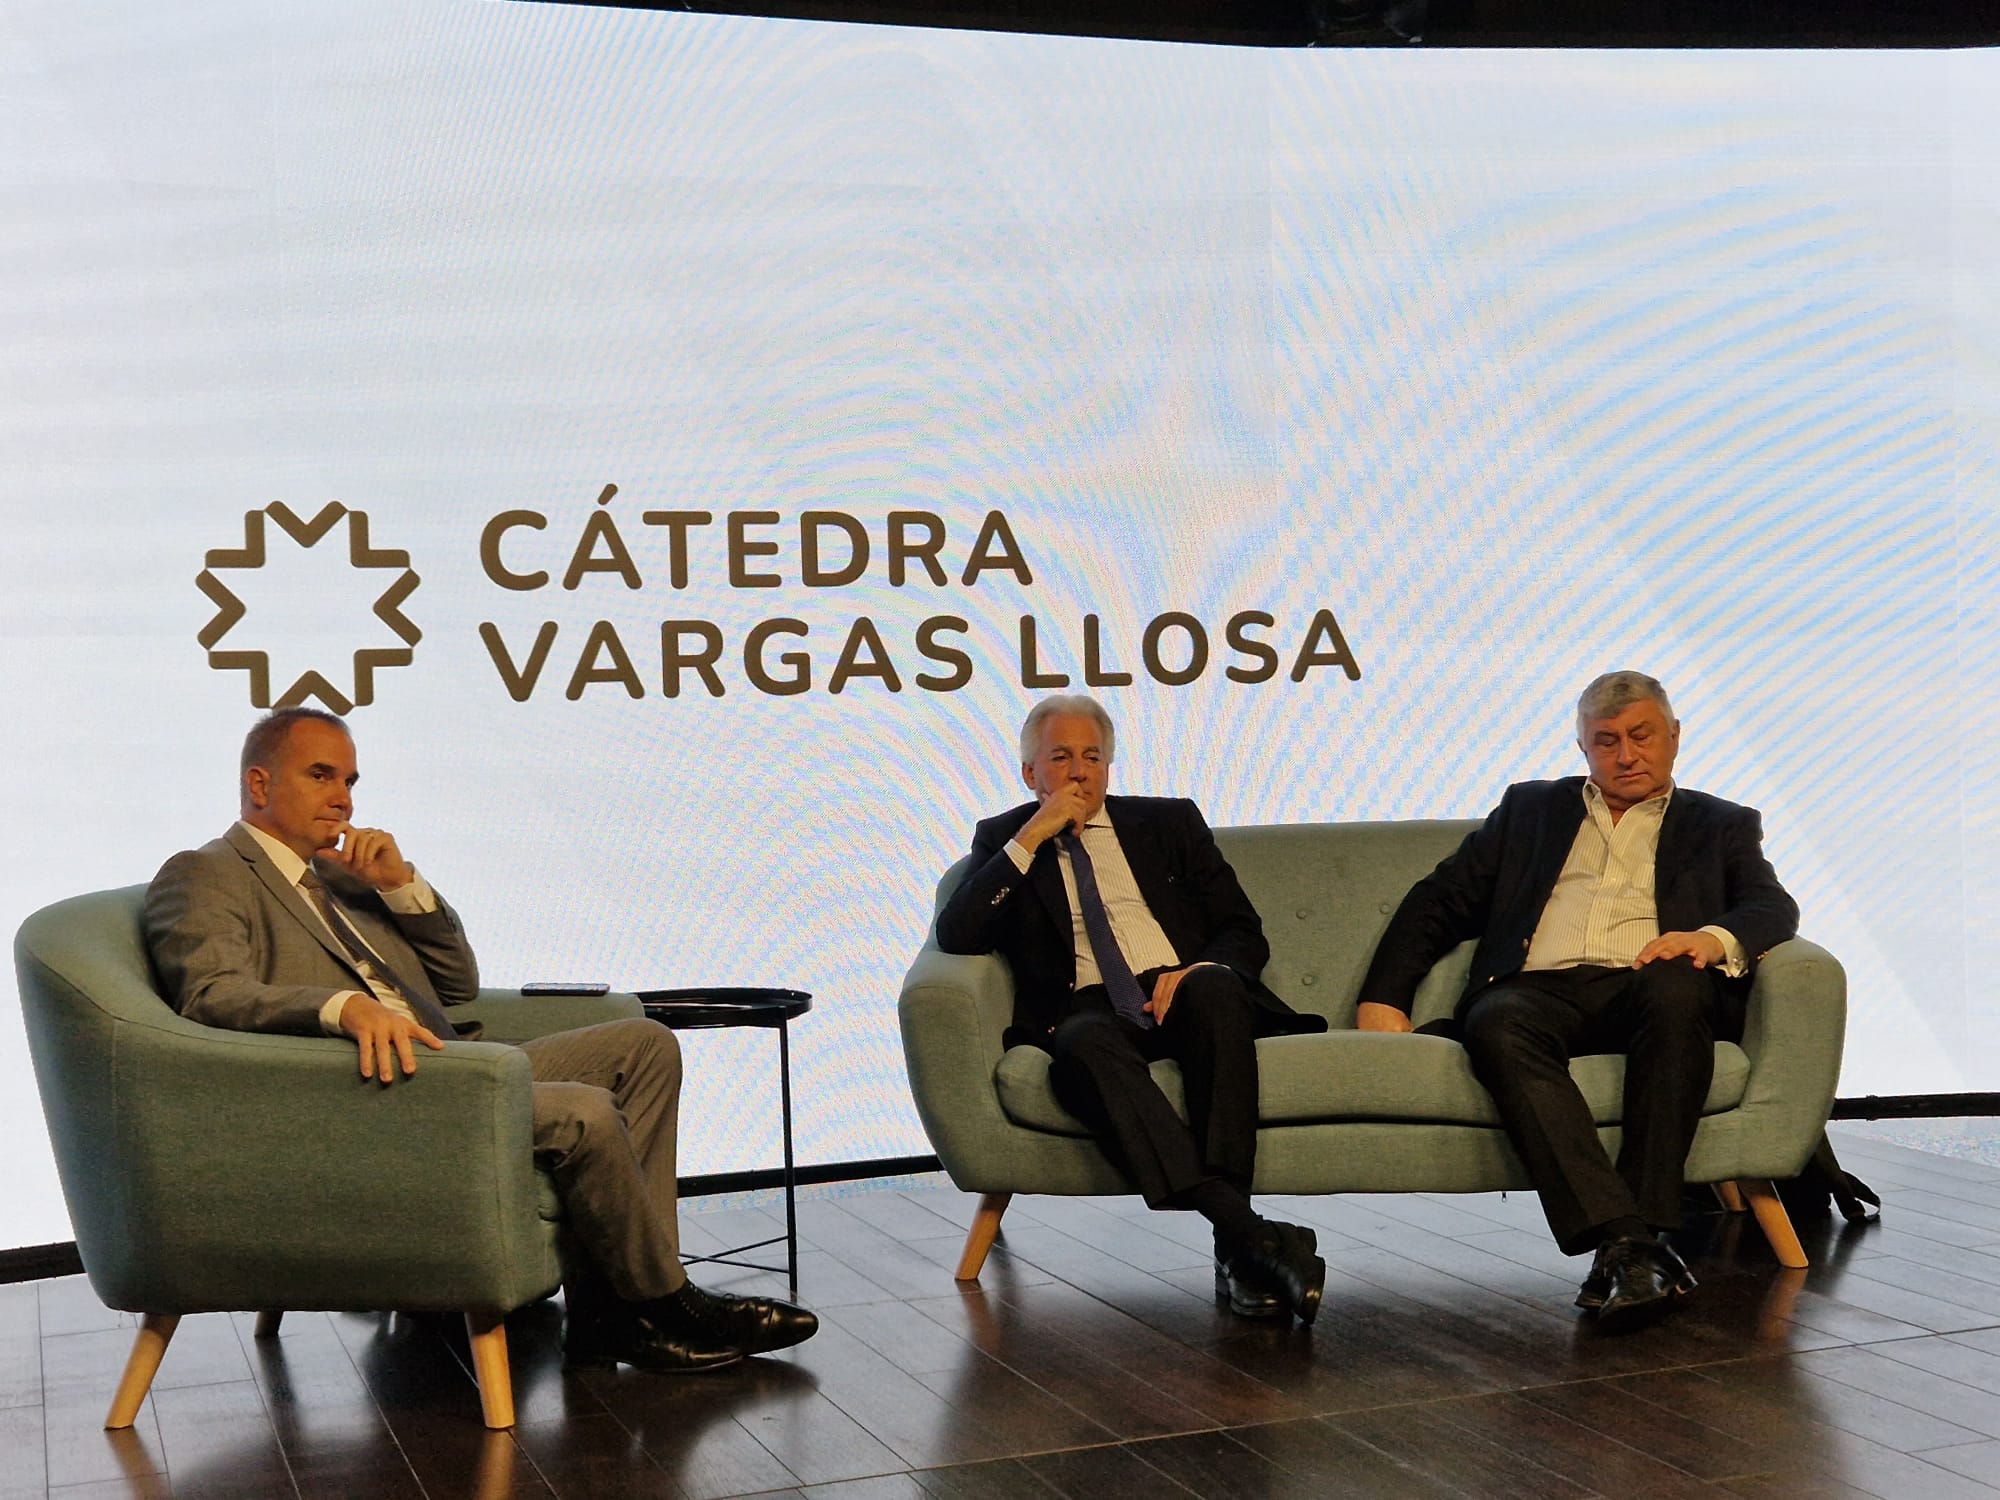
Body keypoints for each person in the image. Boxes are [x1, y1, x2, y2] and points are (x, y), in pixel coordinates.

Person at [143, 706, 818, 1372]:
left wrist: (402, 887)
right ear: (259, 785)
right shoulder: (205, 873)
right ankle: (665, 1303)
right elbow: (212, 993)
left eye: (351, 782)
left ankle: (608, 1315)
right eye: (322, 776)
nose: (343, 800)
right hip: (366, 1091)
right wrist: (338, 1007)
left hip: (450, 1067)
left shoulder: (343, 877)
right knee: (584, 1110)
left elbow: (457, 981)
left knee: (646, 1044)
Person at [1354, 672, 1799, 1331]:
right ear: (1583, 748)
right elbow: (1439, 901)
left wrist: (1709, 938)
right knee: (1495, 1021)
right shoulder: (1530, 810)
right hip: (1538, 990)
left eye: (1642, 737)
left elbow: (1771, 907)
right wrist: (1383, 997)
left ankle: (1637, 1229)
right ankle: (1630, 1244)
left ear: (1674, 738)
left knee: (1678, 983)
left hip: (1650, 982)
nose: (1626, 755)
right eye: (1606, 741)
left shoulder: (1719, 823)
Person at [935, 694, 1329, 1323]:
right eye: (1060, 758)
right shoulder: (1003, 840)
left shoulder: (1168, 824)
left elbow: (1241, 928)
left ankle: (1239, 1244)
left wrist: (1201, 967)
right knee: (1081, 1050)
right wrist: (1033, 834)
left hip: (1182, 985)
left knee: (1218, 993)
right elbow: (959, 935)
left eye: (1093, 757)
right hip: (1086, 1005)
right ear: (1031, 774)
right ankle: (1245, 1235)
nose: (1079, 772)